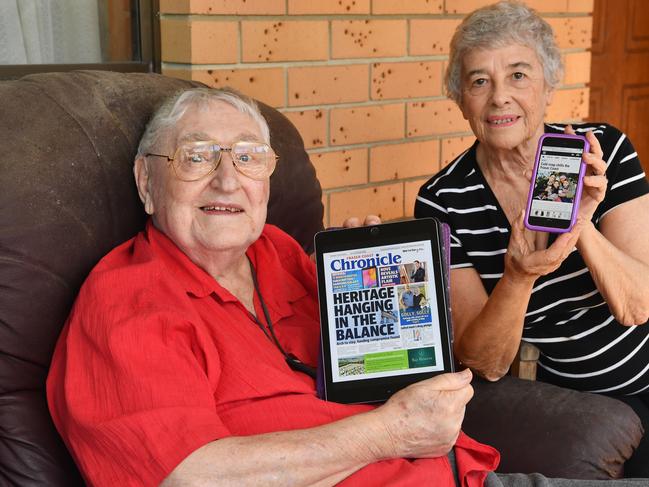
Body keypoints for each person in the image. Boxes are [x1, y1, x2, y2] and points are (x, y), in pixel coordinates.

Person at [45, 86, 646, 487]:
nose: (228, 180)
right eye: (197, 157)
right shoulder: (127, 301)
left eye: (250, 157)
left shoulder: (277, 252)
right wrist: (390, 432)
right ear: (147, 182)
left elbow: (365, 365)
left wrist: (379, 283)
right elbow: (188, 474)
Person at [414, 0, 649, 477]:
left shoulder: (606, 152)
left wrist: (579, 221)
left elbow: (638, 305)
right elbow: (484, 362)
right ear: (461, 99)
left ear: (548, 85)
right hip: (580, 399)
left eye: (519, 75)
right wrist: (518, 276)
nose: (500, 97)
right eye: (479, 81)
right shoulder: (443, 200)